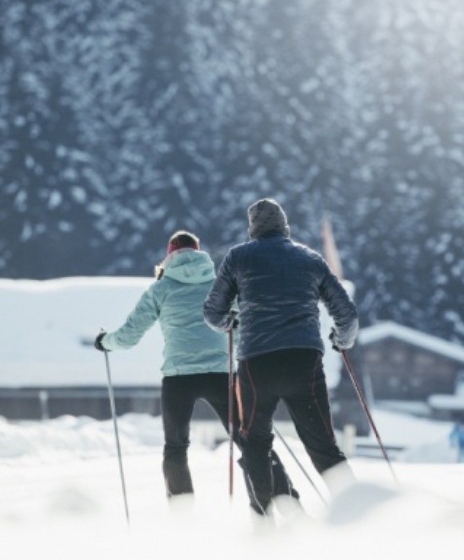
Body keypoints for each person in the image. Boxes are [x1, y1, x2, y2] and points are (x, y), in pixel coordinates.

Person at [93, 230, 299, 510]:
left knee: (175, 448)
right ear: (200, 254)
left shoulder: (160, 289)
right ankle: (286, 502)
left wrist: (105, 341)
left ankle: (184, 516)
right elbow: (240, 330)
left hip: (179, 378)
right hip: (222, 375)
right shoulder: (221, 286)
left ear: (169, 256)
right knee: (252, 441)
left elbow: (129, 336)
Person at [203, 198, 358, 516]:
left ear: (253, 229)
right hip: (304, 361)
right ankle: (357, 514)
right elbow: (347, 316)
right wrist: (341, 341)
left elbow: (212, 312)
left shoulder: (238, 257)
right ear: (284, 225)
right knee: (324, 447)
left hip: (256, 364)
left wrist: (229, 322)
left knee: (255, 442)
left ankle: (262, 520)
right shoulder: (311, 259)